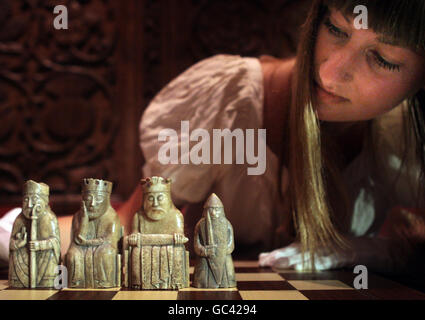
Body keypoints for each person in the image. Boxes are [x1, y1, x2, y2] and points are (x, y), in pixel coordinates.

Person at [1, 0, 424, 277]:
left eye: (383, 59)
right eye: (335, 29)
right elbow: (130, 222)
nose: (329, 72)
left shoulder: (407, 131)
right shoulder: (226, 99)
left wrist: (367, 250)